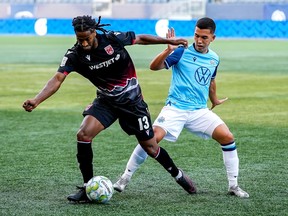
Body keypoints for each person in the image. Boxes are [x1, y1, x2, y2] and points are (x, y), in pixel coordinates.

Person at [22, 15, 197, 203]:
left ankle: (177, 174)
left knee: (151, 147)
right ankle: (89, 187)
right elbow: (57, 79)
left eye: (87, 38)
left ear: (94, 32)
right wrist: (37, 100)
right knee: (83, 134)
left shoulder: (112, 38)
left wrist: (168, 40)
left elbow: (139, 39)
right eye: (79, 38)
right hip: (107, 102)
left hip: (133, 103)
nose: (83, 42)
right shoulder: (75, 55)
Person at [113, 17, 249, 198]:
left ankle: (233, 185)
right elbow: (154, 67)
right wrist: (167, 50)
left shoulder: (214, 58)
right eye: (196, 36)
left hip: (199, 111)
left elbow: (211, 81)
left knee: (228, 137)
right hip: (175, 108)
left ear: (213, 38)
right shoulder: (181, 52)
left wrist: (214, 99)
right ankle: (125, 177)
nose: (199, 41)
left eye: (204, 38)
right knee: (150, 139)